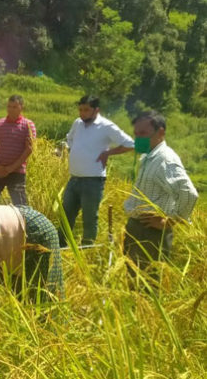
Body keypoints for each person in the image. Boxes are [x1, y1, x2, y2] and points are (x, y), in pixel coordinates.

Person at [122, 111, 198, 276]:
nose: (138, 138)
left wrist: (170, 221)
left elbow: (189, 193)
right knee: (131, 279)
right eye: (136, 134)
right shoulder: (148, 156)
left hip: (150, 232)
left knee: (148, 283)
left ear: (161, 132)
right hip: (136, 228)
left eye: (143, 133)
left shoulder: (165, 159)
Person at [63, 95, 134, 245]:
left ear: (96, 110)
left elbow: (130, 144)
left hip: (93, 181)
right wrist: (71, 150)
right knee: (66, 215)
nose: (82, 113)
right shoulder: (78, 123)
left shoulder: (107, 126)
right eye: (80, 110)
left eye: (86, 110)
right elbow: (69, 139)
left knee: (89, 218)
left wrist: (108, 153)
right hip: (74, 178)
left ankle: (87, 250)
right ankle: (59, 248)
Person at [0, 95, 35, 207]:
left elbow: (29, 149)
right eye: (9, 106)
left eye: (14, 107)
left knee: (21, 206)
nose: (11, 109)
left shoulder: (28, 125)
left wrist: (10, 168)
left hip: (16, 171)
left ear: (21, 107)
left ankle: (23, 225)